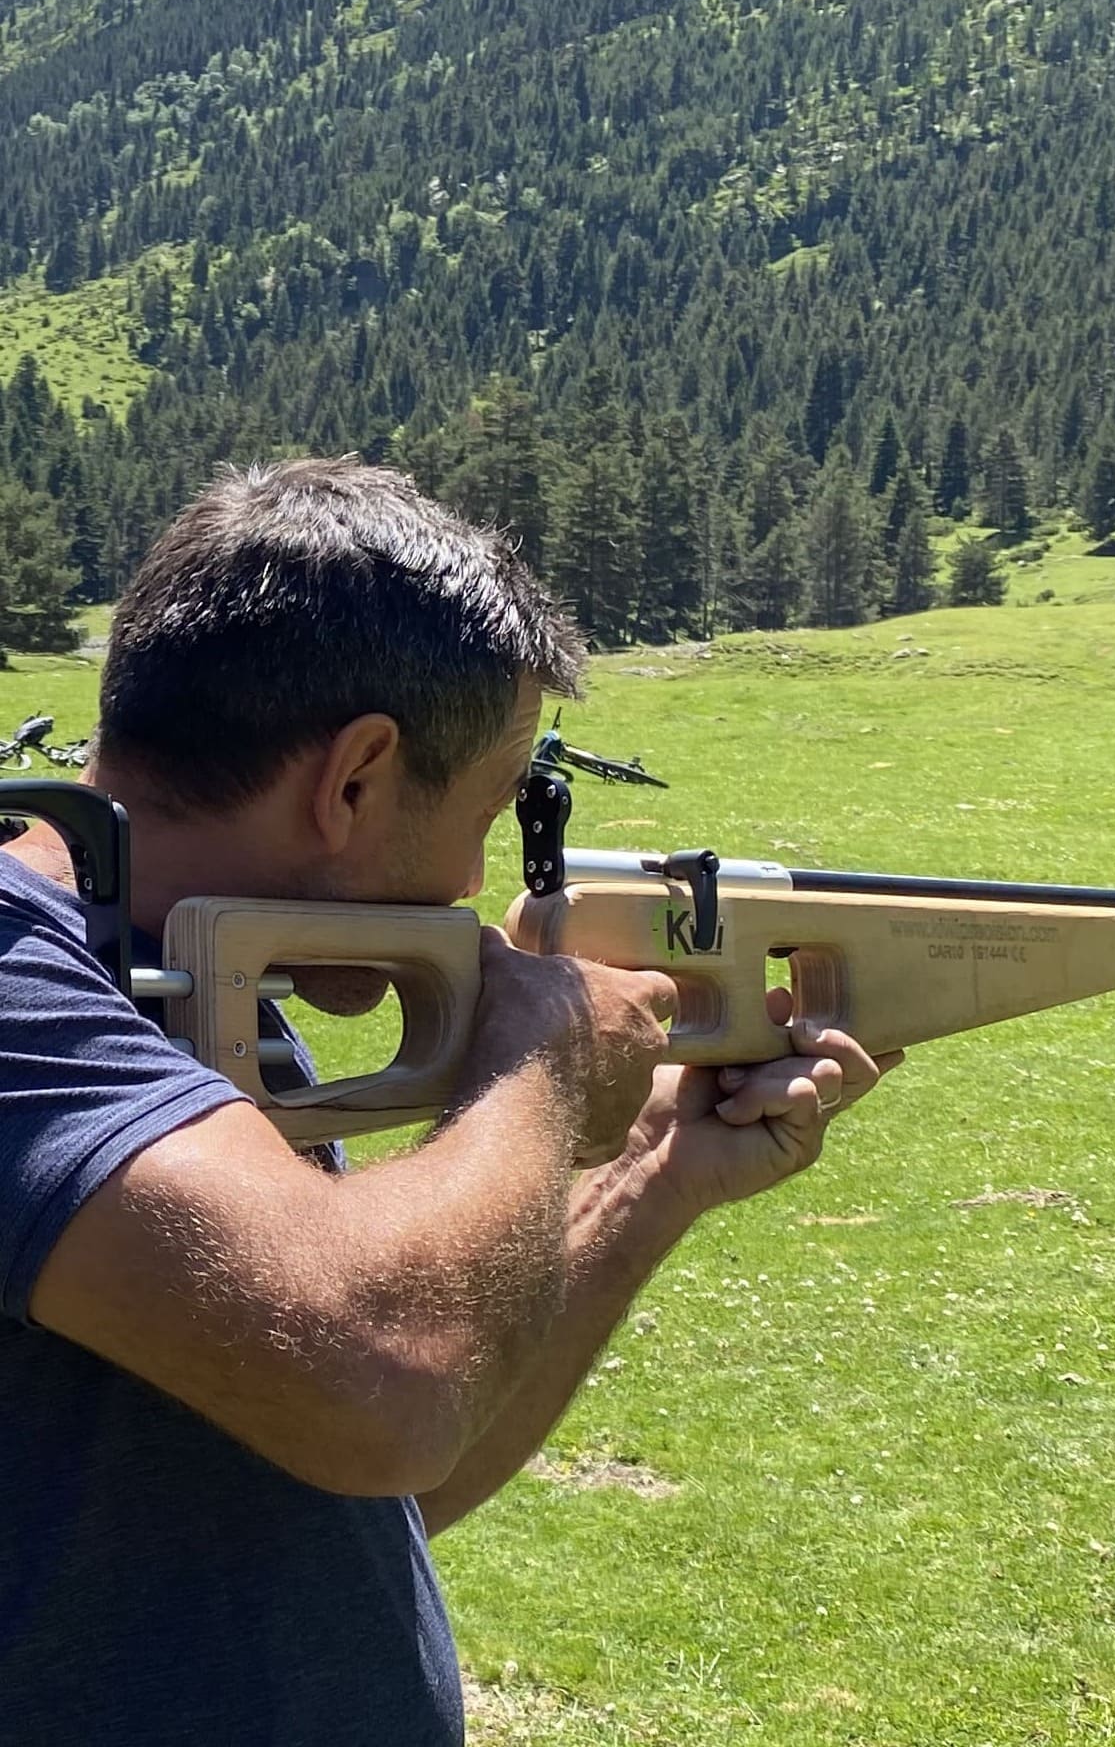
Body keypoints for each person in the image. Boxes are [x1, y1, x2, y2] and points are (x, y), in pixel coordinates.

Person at [0, 458, 897, 1744]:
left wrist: (650, 1178)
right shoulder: (17, 983)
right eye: (488, 809)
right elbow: (387, 1384)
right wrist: (536, 1067)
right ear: (355, 777)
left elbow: (379, 1475)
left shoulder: (202, 982)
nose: (478, 877)